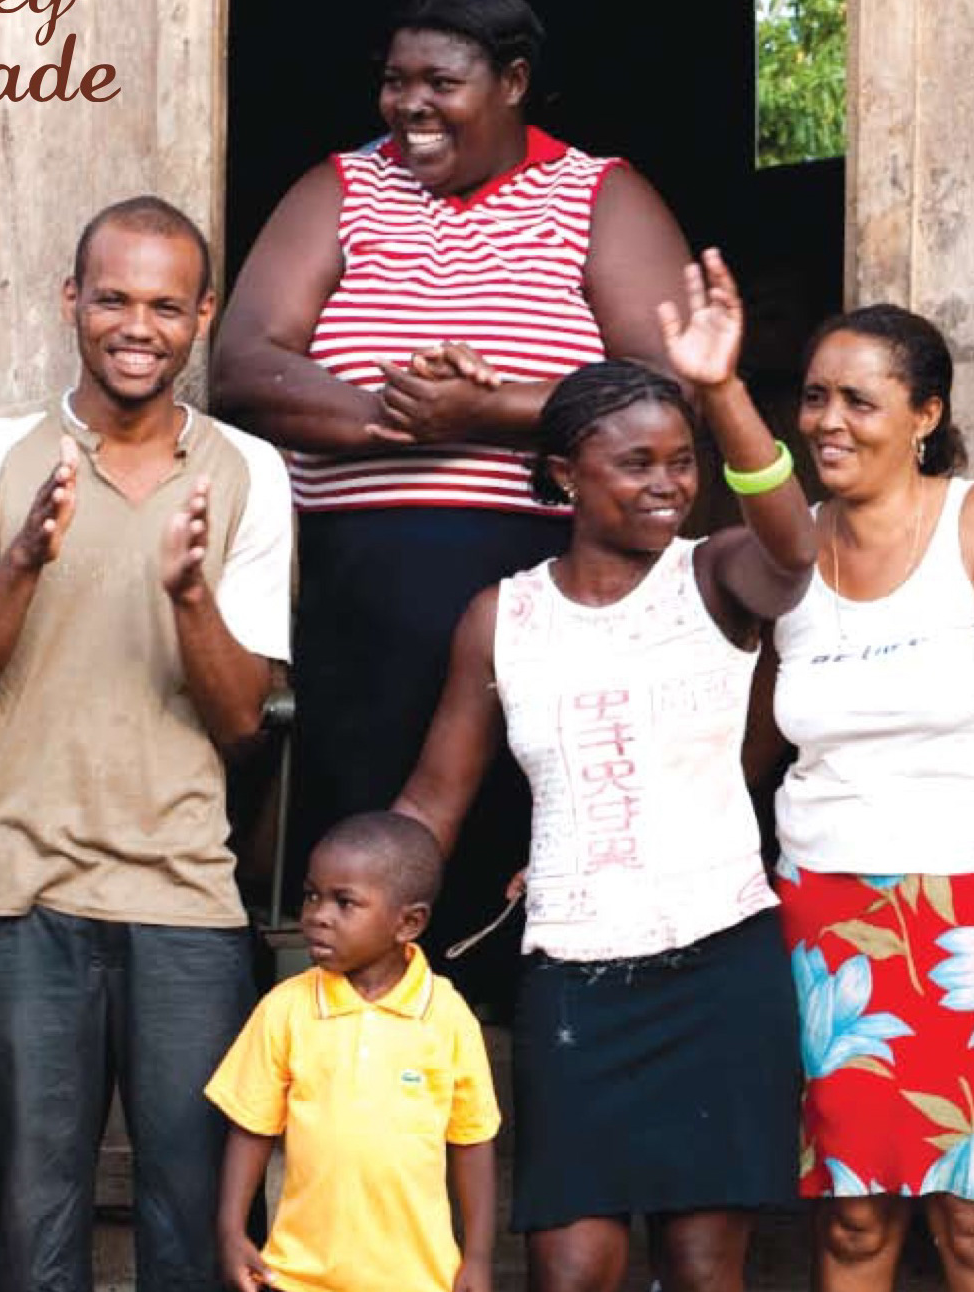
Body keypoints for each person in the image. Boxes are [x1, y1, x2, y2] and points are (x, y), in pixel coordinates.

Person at [209, 0, 693, 1005]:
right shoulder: (339, 189)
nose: (409, 106)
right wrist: (395, 417)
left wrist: (490, 408)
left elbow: (666, 385)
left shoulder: (600, 195)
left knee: (541, 881)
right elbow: (244, 366)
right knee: (372, 874)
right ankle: (369, 1084)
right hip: (361, 618)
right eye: (395, 81)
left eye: (441, 83)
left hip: (560, 609)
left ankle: (534, 1083)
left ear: (512, 83)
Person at [392, 251, 817, 1292]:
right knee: (571, 1262)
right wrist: (366, 907)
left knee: (704, 1267)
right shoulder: (503, 617)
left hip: (720, 960)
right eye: (635, 464)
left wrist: (722, 391)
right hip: (573, 975)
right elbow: (432, 802)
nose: (668, 485)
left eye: (681, 461)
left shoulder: (713, 574)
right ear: (564, 474)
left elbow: (795, 550)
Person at [0, 195, 294, 1292]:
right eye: (113, 298)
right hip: (21, 900)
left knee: (193, 1241)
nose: (137, 326)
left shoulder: (249, 470)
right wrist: (24, 558)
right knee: (32, 1239)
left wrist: (190, 596)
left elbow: (241, 719)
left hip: (187, 903)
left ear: (203, 316)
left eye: (166, 306)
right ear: (71, 299)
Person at [759, 306, 974, 1290]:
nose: (827, 420)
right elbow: (749, 739)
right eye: (814, 397)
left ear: (926, 415)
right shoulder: (788, 547)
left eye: (858, 400)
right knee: (853, 1216)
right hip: (826, 916)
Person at [207, 811, 501, 1292]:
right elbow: (251, 1127)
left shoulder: (446, 1016)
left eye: (345, 902)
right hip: (300, 1276)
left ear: (409, 923)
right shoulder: (285, 1008)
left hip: (418, 1279)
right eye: (311, 895)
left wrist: (479, 1258)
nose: (318, 915)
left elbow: (473, 1140)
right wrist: (231, 1230)